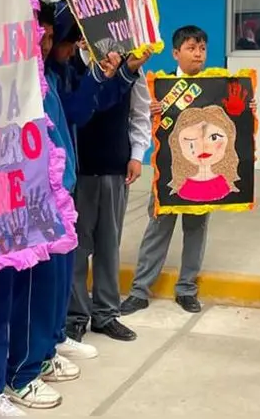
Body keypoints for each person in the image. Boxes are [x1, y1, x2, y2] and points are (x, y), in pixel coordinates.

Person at [5, 0, 144, 411]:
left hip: (57, 194)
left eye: (54, 35)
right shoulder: (24, 73)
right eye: (46, 34)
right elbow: (29, 23)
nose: (50, 41)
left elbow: (87, 107)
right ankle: (26, 365)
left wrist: (114, 72)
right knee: (36, 288)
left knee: (57, 280)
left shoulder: (57, 75)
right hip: (31, 200)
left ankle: (46, 347)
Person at [121, 26, 216, 315]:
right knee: (158, 226)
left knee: (196, 227)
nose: (198, 53)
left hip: (202, 170)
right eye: (191, 48)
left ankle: (187, 289)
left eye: (201, 48)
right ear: (176, 53)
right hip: (167, 171)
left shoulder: (218, 85)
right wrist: (148, 112)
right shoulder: (157, 90)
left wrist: (245, 107)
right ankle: (140, 290)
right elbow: (136, 120)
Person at [66, 30, 152, 343]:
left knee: (108, 245)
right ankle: (75, 316)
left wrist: (137, 155)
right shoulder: (71, 65)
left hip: (116, 168)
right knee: (77, 247)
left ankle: (106, 314)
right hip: (80, 171)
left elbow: (140, 113)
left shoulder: (131, 64)